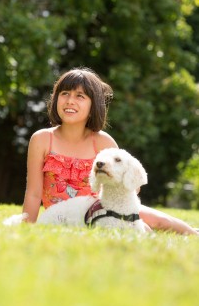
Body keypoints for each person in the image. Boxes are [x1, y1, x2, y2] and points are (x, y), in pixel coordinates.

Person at [22, 67, 198, 235]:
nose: (70, 100)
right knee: (143, 229)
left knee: (157, 222)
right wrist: (26, 229)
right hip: (64, 216)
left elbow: (130, 185)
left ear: (94, 105)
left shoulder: (102, 141)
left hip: (103, 209)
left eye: (80, 96)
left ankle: (193, 233)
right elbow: (34, 193)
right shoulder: (42, 139)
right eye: (65, 93)